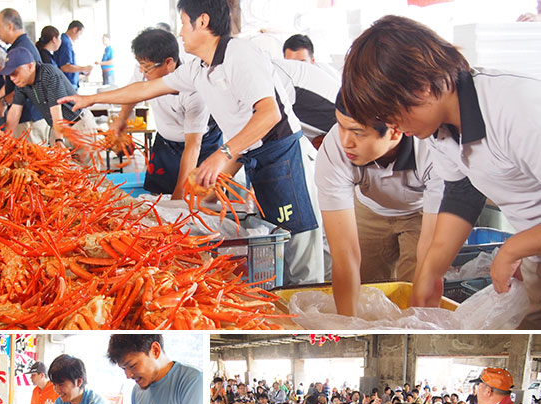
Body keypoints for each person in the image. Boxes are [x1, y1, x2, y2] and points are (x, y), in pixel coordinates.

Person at [59, 0, 323, 286]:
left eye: (184, 23)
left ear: (203, 21)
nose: (181, 32)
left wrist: (223, 154)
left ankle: (310, 311)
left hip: (284, 155)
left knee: (299, 251)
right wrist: (91, 99)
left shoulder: (240, 55)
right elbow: (147, 88)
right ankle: (285, 299)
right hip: (254, 157)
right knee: (275, 239)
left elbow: (269, 113)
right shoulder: (200, 68)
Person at [340, 15, 541, 328]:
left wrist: (514, 248)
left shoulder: (519, 108)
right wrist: (430, 272)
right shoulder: (440, 129)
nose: (395, 128)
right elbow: (461, 191)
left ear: (421, 87)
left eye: (391, 114)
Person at [315, 91, 443, 316]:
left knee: (416, 281)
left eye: (358, 132)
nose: (346, 142)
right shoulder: (334, 148)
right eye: (341, 126)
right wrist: (348, 327)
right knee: (364, 286)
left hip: (422, 212)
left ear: (395, 132)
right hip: (368, 208)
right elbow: (344, 255)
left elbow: (429, 256)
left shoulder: (434, 149)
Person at [108, 27, 222, 197]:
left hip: (201, 143)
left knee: (201, 199)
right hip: (165, 141)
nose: (142, 72)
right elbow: (133, 93)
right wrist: (122, 118)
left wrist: (178, 195)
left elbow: (193, 145)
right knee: (157, 195)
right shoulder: (146, 67)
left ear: (169, 63)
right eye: (141, 66)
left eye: (146, 68)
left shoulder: (194, 87)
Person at [0, 47, 97, 151]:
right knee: (60, 166)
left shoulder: (49, 74)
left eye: (15, 73)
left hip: (78, 125)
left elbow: (56, 110)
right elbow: (15, 111)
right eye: (9, 75)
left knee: (87, 165)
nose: (12, 78)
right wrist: (7, 139)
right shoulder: (22, 84)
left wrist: (59, 140)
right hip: (57, 129)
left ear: (30, 66)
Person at [0, 8, 48, 143]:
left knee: (31, 161)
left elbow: (28, 87)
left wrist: (4, 101)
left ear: (10, 26)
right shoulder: (20, 46)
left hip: (30, 120)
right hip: (28, 118)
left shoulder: (22, 50)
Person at [54, 21, 93, 89]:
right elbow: (65, 67)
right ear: (74, 29)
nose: (79, 37)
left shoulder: (65, 41)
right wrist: (85, 68)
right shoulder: (65, 43)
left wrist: (81, 71)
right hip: (68, 83)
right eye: (80, 33)